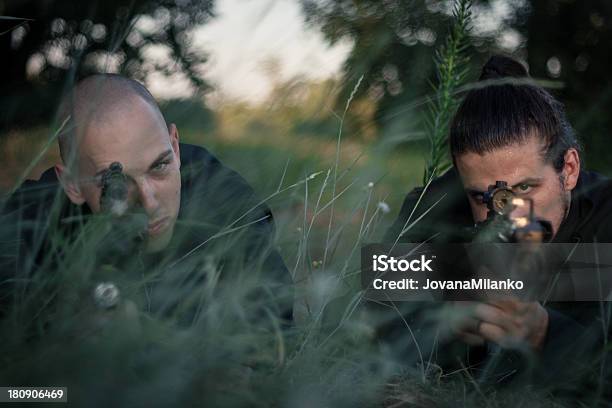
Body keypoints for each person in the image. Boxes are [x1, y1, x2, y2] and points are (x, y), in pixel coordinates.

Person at [380, 55, 612, 386]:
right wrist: (443, 315)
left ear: (569, 169)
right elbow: (376, 307)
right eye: (480, 197)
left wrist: (546, 334)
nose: (507, 213)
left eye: (526, 187)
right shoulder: (436, 207)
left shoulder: (604, 214)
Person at [0, 74, 293, 325]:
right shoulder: (35, 215)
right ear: (73, 185)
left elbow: (272, 328)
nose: (150, 203)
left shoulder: (222, 199)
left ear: (175, 147)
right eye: (113, 183)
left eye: (160, 166)